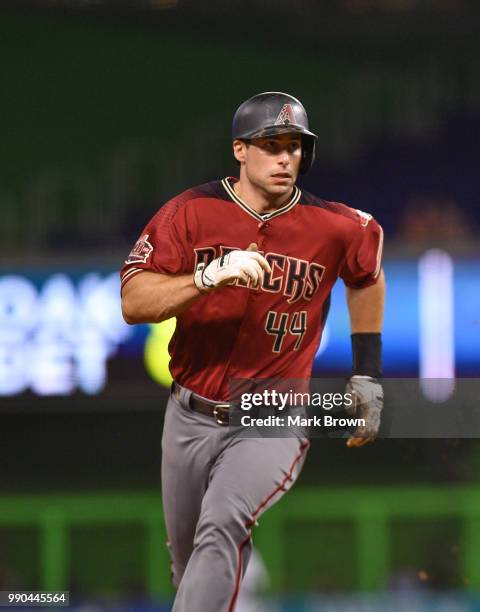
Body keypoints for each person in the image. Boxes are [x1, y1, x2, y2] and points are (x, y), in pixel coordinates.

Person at [120, 92, 385, 612]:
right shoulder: (190, 213)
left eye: (295, 147)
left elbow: (367, 275)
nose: (286, 158)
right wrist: (204, 276)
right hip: (189, 414)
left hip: (273, 415)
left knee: (222, 524)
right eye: (272, 145)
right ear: (240, 150)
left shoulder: (336, 226)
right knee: (188, 566)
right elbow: (133, 301)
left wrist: (368, 374)